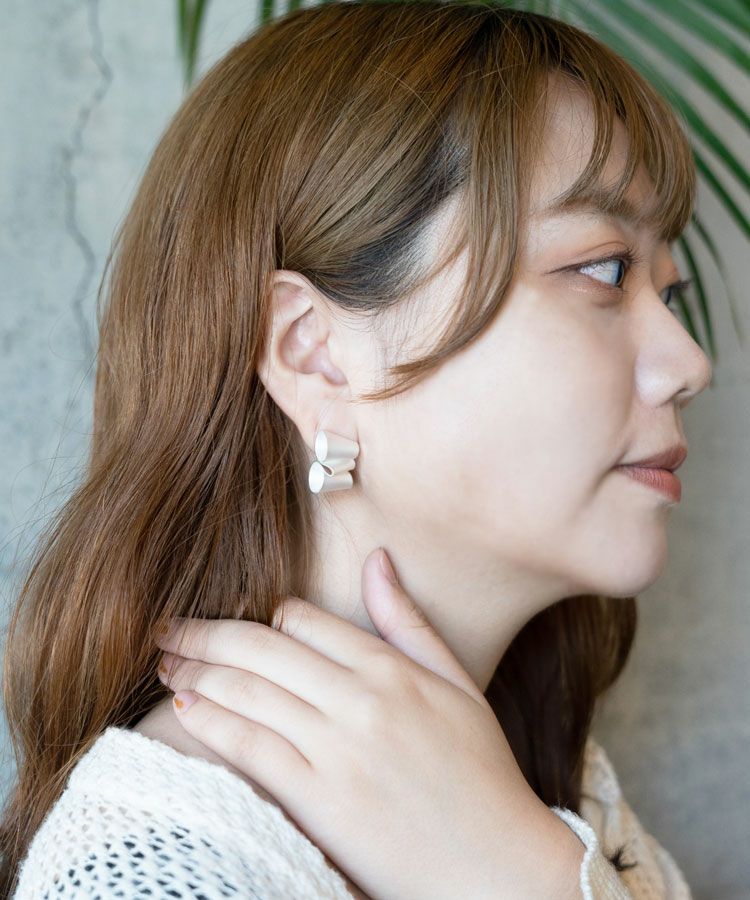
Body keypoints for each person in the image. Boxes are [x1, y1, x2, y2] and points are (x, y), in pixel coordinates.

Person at [2, 2, 710, 897]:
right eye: (603, 269)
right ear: (315, 353)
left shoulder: (554, 785)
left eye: (667, 294)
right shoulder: (155, 874)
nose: (691, 365)